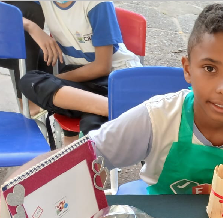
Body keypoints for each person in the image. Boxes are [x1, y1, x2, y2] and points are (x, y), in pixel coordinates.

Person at [89, 3, 223, 195]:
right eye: (210, 69)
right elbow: (88, 155)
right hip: (157, 212)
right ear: (188, 70)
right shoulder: (158, 117)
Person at [19, 1, 141, 145]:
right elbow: (0, 8)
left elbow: (102, 67)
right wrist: (31, 26)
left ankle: (117, 108)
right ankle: (120, 108)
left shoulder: (97, 4)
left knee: (92, 128)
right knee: (29, 80)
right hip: (81, 79)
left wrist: (55, 80)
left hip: (115, 78)